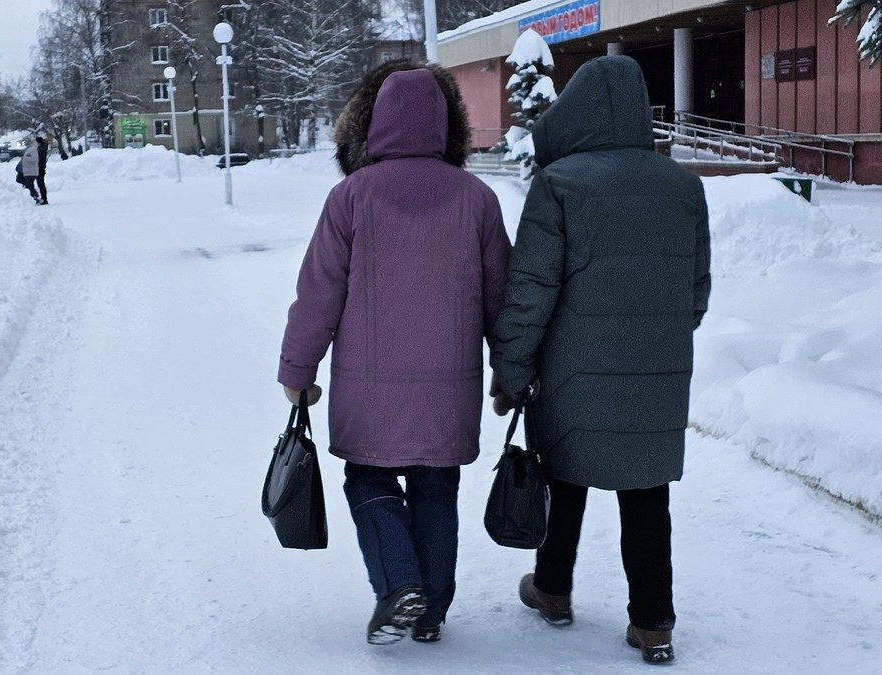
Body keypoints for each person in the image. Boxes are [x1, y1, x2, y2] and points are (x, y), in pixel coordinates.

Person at [277, 59, 511, 646]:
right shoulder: (477, 198)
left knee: (369, 479)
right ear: (446, 124)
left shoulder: (350, 196)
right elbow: (502, 299)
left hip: (369, 385)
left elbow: (318, 293)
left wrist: (297, 371)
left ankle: (399, 585)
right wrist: (510, 372)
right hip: (450, 387)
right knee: (437, 488)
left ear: (374, 123)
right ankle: (429, 608)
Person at [490, 55, 712, 664]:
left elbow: (530, 290)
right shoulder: (683, 185)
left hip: (571, 369)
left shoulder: (560, 184)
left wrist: (512, 369)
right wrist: (657, 342)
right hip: (659, 376)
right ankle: (652, 624)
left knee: (564, 478)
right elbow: (696, 290)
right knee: (647, 494)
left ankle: (553, 589)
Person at [20, 137, 41, 203]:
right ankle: (33, 197)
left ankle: (35, 197)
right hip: (28, 171)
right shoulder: (29, 149)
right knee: (29, 185)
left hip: (31, 171)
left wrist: (25, 158)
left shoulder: (33, 149)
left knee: (29, 185)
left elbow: (34, 159)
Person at [34, 135, 49, 205]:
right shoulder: (42, 148)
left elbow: (39, 160)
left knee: (41, 184)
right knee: (41, 184)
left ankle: (44, 199)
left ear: (38, 142)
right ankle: (44, 198)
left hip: (40, 169)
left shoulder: (41, 150)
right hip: (41, 168)